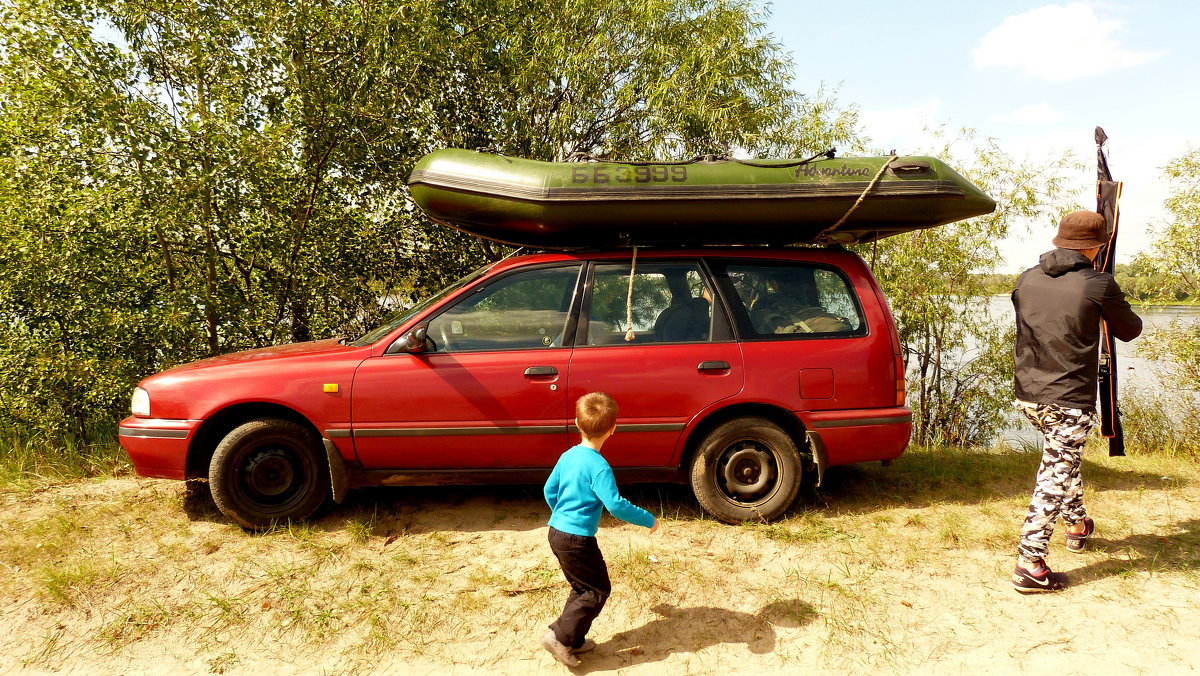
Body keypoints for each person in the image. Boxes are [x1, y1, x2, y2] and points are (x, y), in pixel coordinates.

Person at [1010, 210, 1142, 593]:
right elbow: (1130, 330)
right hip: (1068, 397)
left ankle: (1077, 525)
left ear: (1059, 241)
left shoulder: (1026, 279)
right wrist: (1105, 301)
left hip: (1028, 392)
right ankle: (1029, 563)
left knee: (1062, 459)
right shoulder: (1098, 283)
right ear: (1097, 246)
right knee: (1054, 474)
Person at [541, 392, 659, 666]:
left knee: (582, 587)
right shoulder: (600, 467)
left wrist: (560, 514)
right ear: (612, 429)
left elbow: (549, 490)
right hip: (577, 539)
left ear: (576, 423)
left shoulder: (568, 456)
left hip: (556, 532)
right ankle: (558, 637)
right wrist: (648, 519)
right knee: (596, 590)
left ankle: (574, 640)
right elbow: (616, 505)